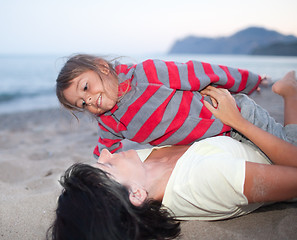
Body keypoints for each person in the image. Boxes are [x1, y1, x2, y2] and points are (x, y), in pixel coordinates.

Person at [47, 72, 297, 240]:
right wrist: (238, 122)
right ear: (136, 194)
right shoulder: (209, 180)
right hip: (275, 152)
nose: (104, 153)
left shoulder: (140, 170)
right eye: (107, 168)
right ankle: (291, 93)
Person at [57, 54, 269, 158]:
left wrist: (251, 81)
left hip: (238, 115)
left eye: (86, 88)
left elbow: (202, 72)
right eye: (82, 103)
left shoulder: (147, 74)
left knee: (289, 147)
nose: (90, 100)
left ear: (102, 67)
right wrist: (100, 167)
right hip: (220, 143)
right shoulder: (110, 122)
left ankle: (288, 90)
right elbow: (105, 151)